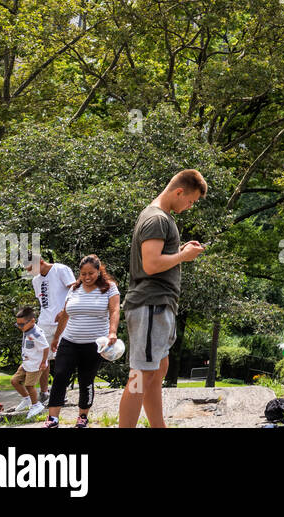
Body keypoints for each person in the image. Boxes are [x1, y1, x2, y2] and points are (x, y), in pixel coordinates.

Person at [118, 169, 206, 428]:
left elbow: (158, 257)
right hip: (149, 305)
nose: (189, 207)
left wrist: (178, 251)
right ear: (179, 192)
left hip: (159, 305)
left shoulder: (160, 218)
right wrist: (182, 257)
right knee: (141, 375)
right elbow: (152, 264)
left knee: (157, 371)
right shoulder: (157, 219)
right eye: (190, 201)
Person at [44, 255, 120, 428]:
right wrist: (56, 337)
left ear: (99, 271)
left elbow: (115, 311)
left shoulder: (109, 288)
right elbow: (65, 314)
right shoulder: (74, 289)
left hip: (95, 343)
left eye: (91, 273)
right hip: (69, 340)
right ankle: (52, 419)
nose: (87, 277)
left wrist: (112, 333)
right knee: (60, 375)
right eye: (83, 273)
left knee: (86, 379)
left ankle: (82, 416)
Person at [28, 254, 77, 398]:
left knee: (62, 357)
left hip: (63, 320)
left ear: (41, 261)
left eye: (32, 268)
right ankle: (44, 392)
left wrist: (64, 310)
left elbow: (75, 289)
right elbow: (44, 302)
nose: (30, 272)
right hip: (44, 322)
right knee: (43, 358)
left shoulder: (60, 269)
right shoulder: (36, 280)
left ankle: (60, 391)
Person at [10, 305, 49, 419]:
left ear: (32, 321)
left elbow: (46, 347)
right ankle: (27, 399)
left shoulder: (36, 334)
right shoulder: (27, 329)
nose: (20, 327)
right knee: (14, 381)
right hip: (26, 363)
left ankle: (36, 405)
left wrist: (43, 362)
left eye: (22, 324)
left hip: (35, 365)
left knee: (29, 385)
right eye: (18, 324)